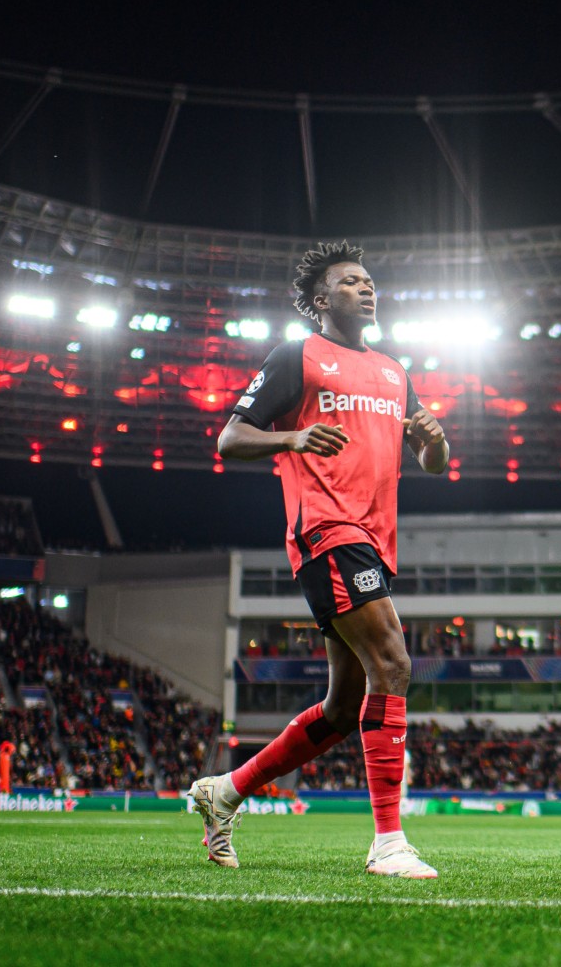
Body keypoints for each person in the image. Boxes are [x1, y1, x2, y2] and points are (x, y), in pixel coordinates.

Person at [191, 240, 449, 879]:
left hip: (376, 540)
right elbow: (229, 437)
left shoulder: (394, 371)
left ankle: (224, 793)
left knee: (343, 706)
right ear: (318, 301)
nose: (366, 288)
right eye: (350, 281)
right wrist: (293, 435)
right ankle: (389, 843)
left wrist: (435, 444)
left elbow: (431, 465)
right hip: (327, 531)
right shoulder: (297, 357)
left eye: (368, 280)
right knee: (393, 660)